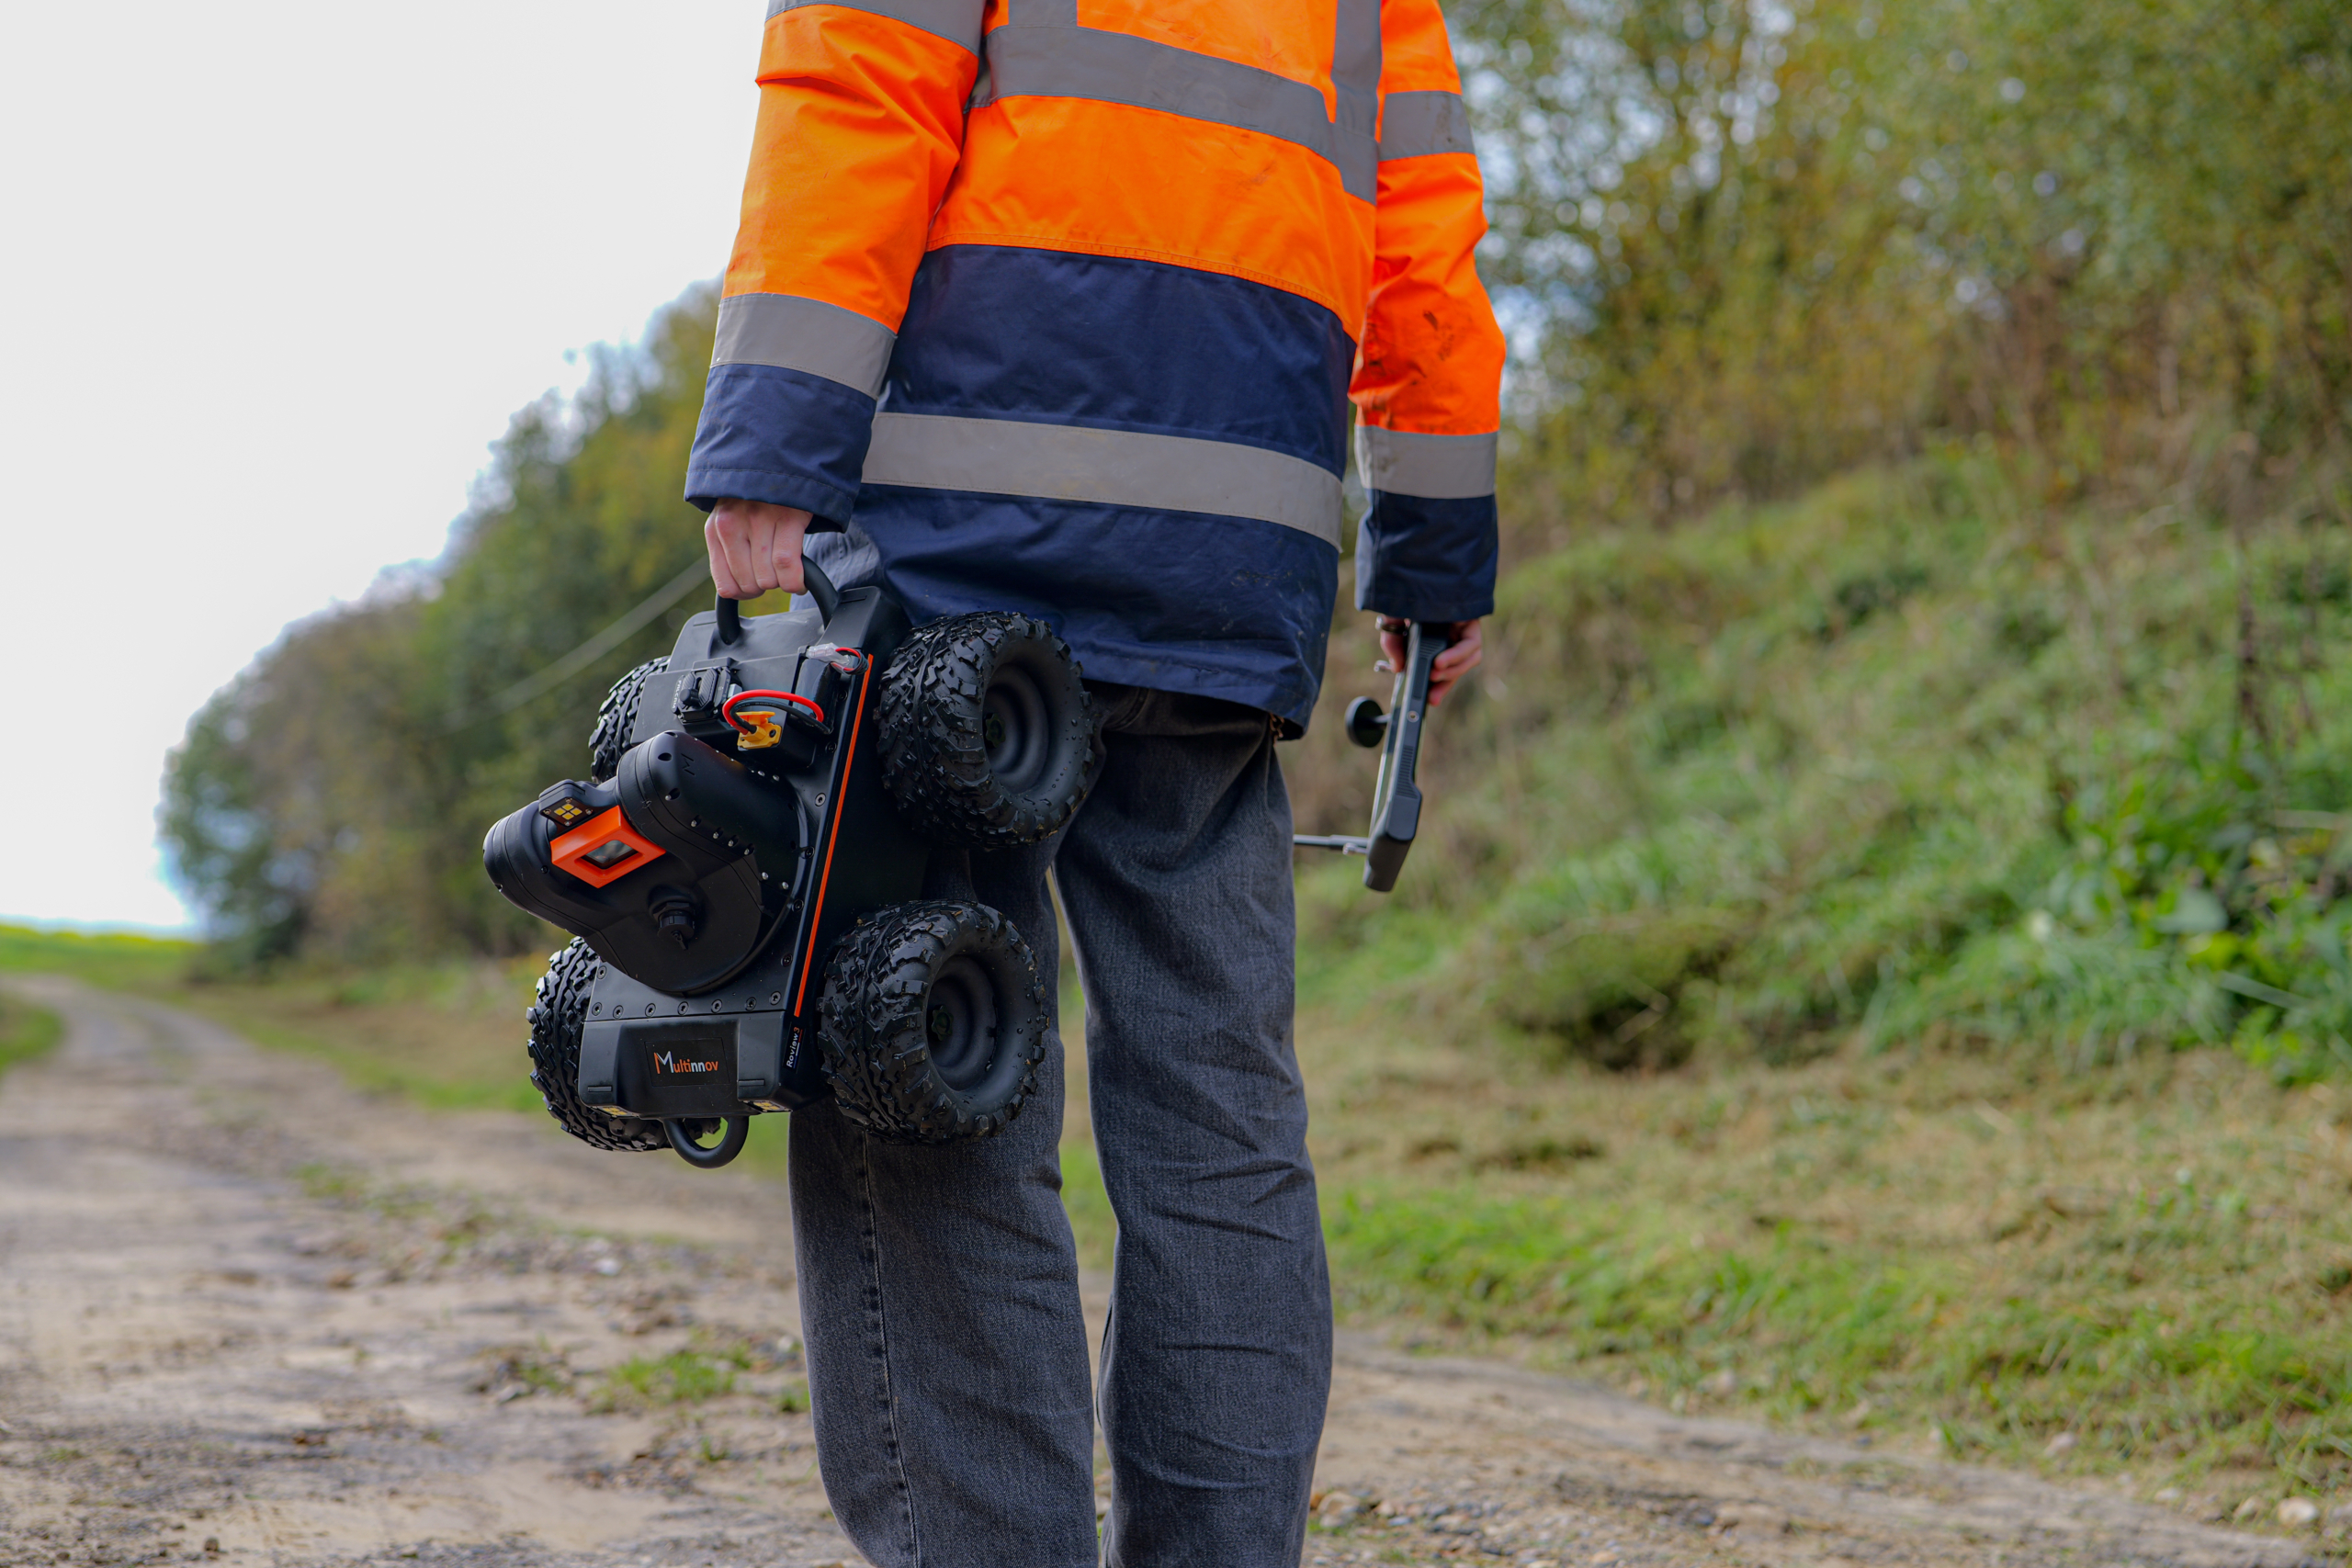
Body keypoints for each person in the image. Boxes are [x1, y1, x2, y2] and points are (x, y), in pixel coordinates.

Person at [684, 1, 1501, 1562]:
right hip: (1234, 558)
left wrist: (775, 448)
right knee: (1219, 1103)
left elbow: (856, 97)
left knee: (930, 1052)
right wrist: (1435, 558)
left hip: (956, 540)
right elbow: (1422, 245)